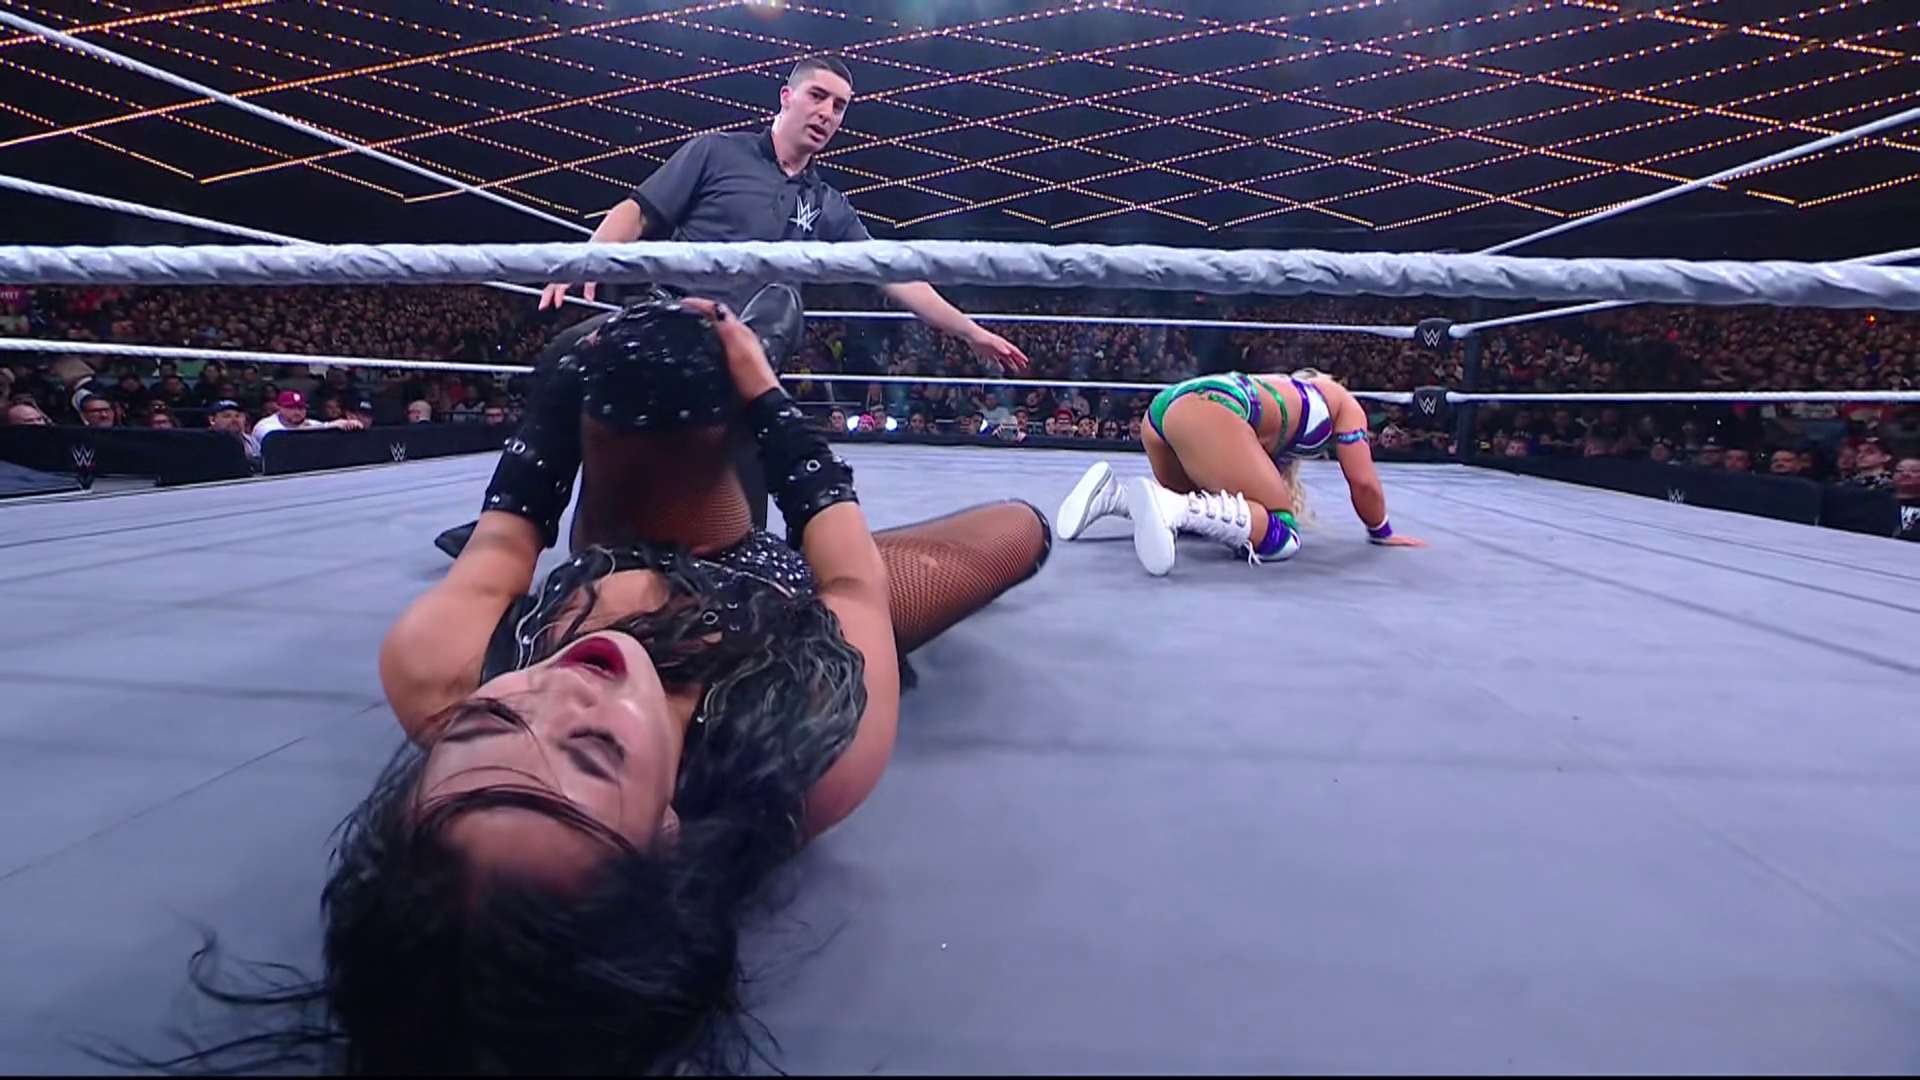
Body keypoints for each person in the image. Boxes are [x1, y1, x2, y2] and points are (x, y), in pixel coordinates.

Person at [130, 293, 1050, 1076]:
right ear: (666, 830)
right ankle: (717, 385)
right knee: (1019, 528)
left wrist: (562, 392)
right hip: (785, 598)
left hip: (619, 542)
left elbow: (505, 540)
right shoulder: (808, 750)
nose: (559, 690)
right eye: (593, 749)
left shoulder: (438, 670)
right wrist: (766, 397)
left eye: (489, 731)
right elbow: (850, 584)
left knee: (636, 367)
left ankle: (628, 386)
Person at [432, 53, 1029, 558]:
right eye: (818, 96)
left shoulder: (827, 203)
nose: (827, 113)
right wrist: (586, 260)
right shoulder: (714, 153)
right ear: (786, 97)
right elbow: (637, 212)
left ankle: (742, 539)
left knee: (780, 302)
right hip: (669, 319)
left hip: (751, 340)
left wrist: (970, 331)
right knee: (567, 353)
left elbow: (894, 274)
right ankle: (507, 527)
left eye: (840, 106)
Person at [1054, 368, 1425, 575]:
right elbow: (1363, 482)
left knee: (1212, 505)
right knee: (1282, 535)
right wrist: (1382, 531)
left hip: (1166, 409)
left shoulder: (1282, 389)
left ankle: (1112, 496)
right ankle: (1171, 509)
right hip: (1209, 410)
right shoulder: (1343, 402)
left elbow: (1241, 467)